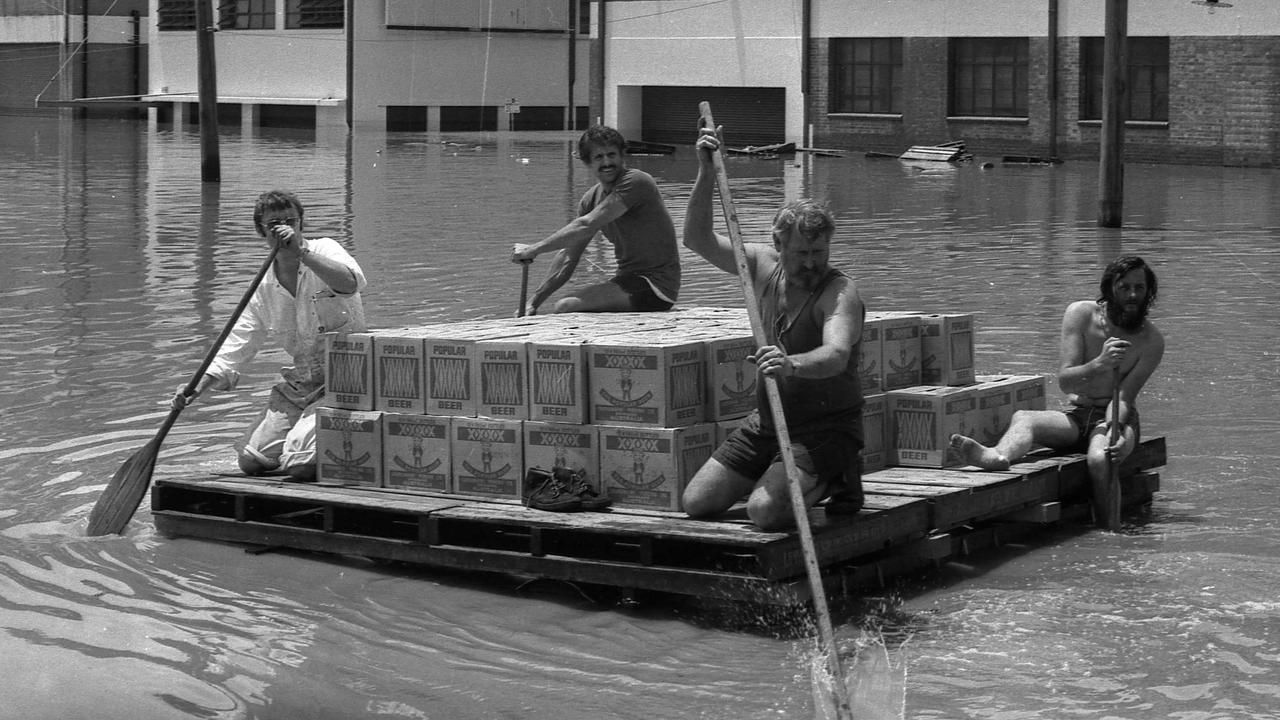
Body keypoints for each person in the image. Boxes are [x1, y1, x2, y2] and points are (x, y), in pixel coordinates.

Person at [680, 126, 866, 531]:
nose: (812, 263)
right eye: (802, 253)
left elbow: (836, 356)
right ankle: (780, 472)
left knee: (762, 512)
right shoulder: (762, 268)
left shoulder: (839, 293)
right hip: (768, 419)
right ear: (778, 246)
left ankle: (836, 476)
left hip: (827, 427)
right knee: (697, 502)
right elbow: (696, 239)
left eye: (820, 252)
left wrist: (792, 364)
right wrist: (707, 173)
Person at [949, 255, 1164, 520]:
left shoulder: (1151, 341)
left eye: (1139, 288)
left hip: (1116, 416)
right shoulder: (1080, 315)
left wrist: (1116, 433)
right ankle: (997, 456)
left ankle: (1110, 531)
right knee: (1025, 418)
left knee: (1100, 459)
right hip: (1078, 414)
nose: (1132, 295)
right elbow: (1065, 382)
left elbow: (1124, 399)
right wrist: (1100, 363)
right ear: (1109, 289)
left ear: (1148, 293)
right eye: (1124, 287)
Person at [173, 190, 368, 482]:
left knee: (299, 464)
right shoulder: (263, 287)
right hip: (302, 384)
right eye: (274, 224)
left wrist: (301, 252)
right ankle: (306, 433)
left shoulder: (325, 249)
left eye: (290, 221)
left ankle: (324, 440)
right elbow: (236, 346)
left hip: (347, 379)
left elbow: (352, 283)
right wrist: (195, 388)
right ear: (261, 232)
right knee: (253, 461)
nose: (283, 229)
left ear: (301, 224)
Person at [511, 125, 680, 315]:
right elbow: (569, 257)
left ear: (622, 156)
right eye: (599, 157)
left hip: (657, 286)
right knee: (564, 306)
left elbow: (586, 224)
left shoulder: (637, 181)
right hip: (626, 280)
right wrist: (533, 303)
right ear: (587, 162)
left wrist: (534, 249)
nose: (607, 162)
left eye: (611, 155)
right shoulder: (589, 200)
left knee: (566, 306)